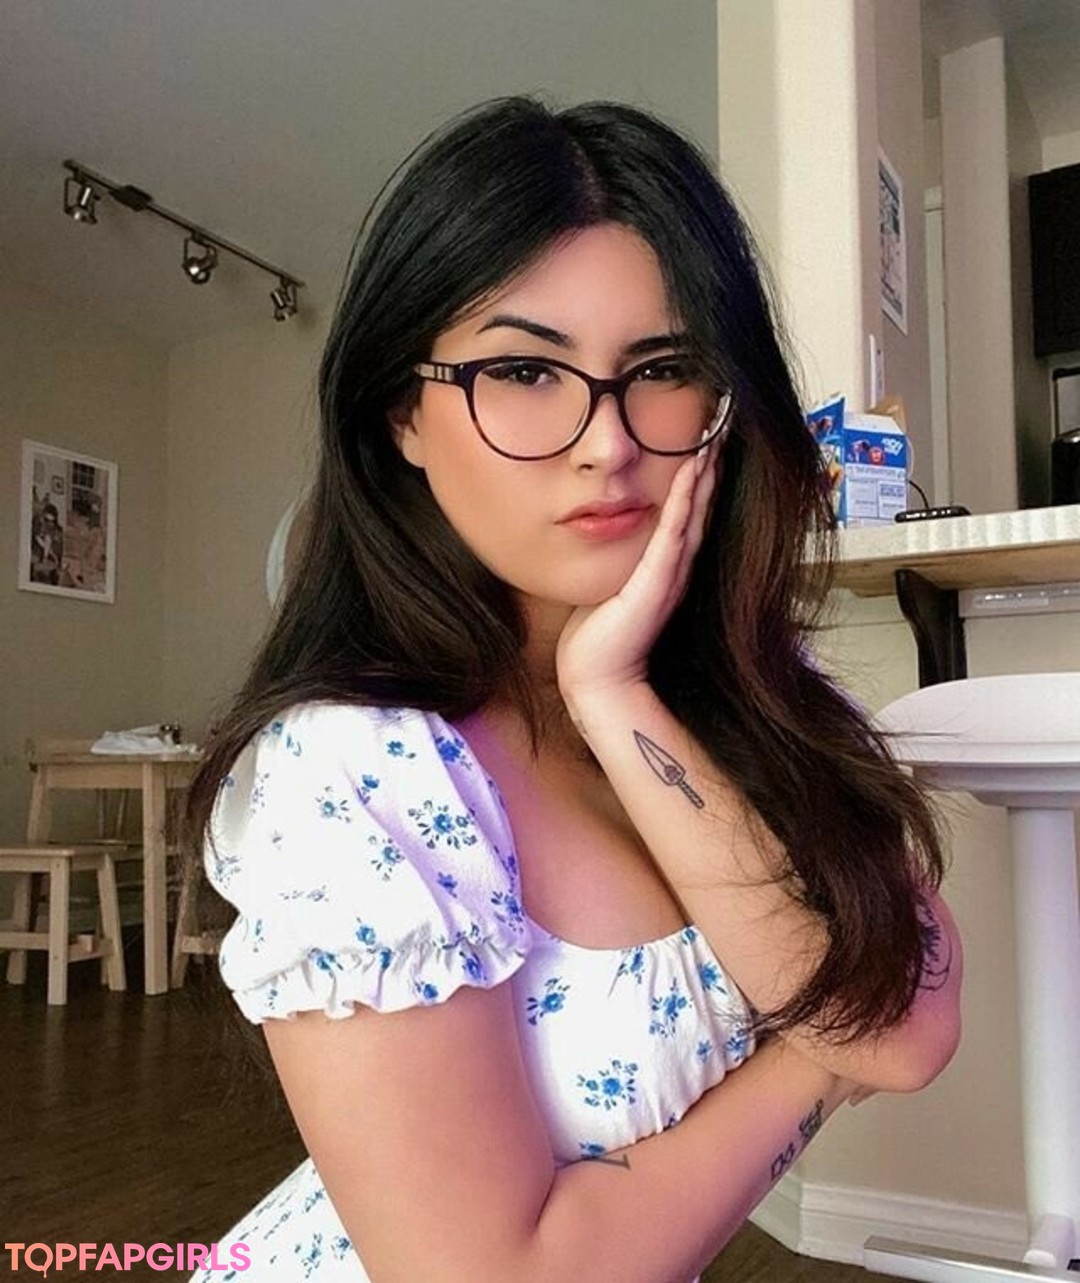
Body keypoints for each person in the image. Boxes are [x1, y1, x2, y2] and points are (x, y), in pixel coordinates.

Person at [185, 96, 962, 1283]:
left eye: (663, 369)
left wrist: (614, 692)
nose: (608, 442)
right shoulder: (355, 766)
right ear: (401, 413)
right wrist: (824, 1041)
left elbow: (912, 1026)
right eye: (523, 370)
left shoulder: (736, 700)